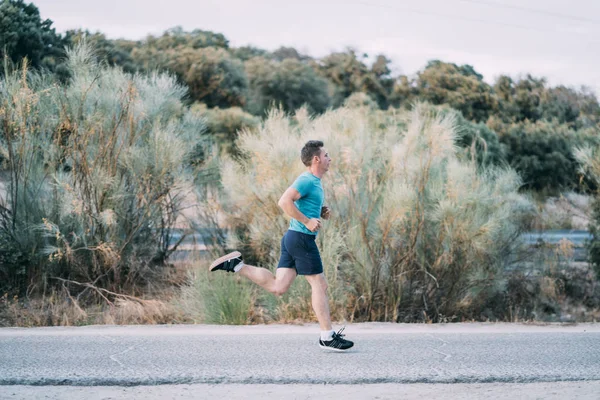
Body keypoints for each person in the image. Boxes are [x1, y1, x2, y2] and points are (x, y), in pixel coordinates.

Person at [209, 140, 354, 351]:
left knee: (278, 287)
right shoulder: (306, 180)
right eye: (326, 155)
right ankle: (327, 336)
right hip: (301, 238)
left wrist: (318, 211)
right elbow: (284, 201)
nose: (329, 159)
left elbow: (302, 203)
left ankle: (236, 265)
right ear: (316, 159)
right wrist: (307, 221)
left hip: (293, 238)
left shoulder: (314, 182)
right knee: (319, 285)